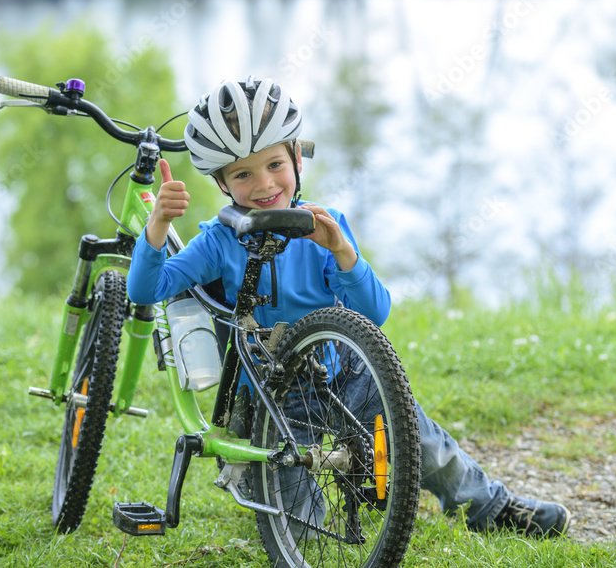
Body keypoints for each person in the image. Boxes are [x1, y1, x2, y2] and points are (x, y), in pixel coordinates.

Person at [126, 76, 571, 538]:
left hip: (344, 372)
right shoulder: (219, 241)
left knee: (425, 445)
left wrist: (342, 252)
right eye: (243, 175)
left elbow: (374, 313)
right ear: (221, 183)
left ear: (297, 158)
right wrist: (158, 224)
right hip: (273, 398)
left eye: (275, 164)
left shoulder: (325, 225)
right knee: (298, 525)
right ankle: (310, 510)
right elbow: (147, 289)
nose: (264, 184)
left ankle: (490, 506)